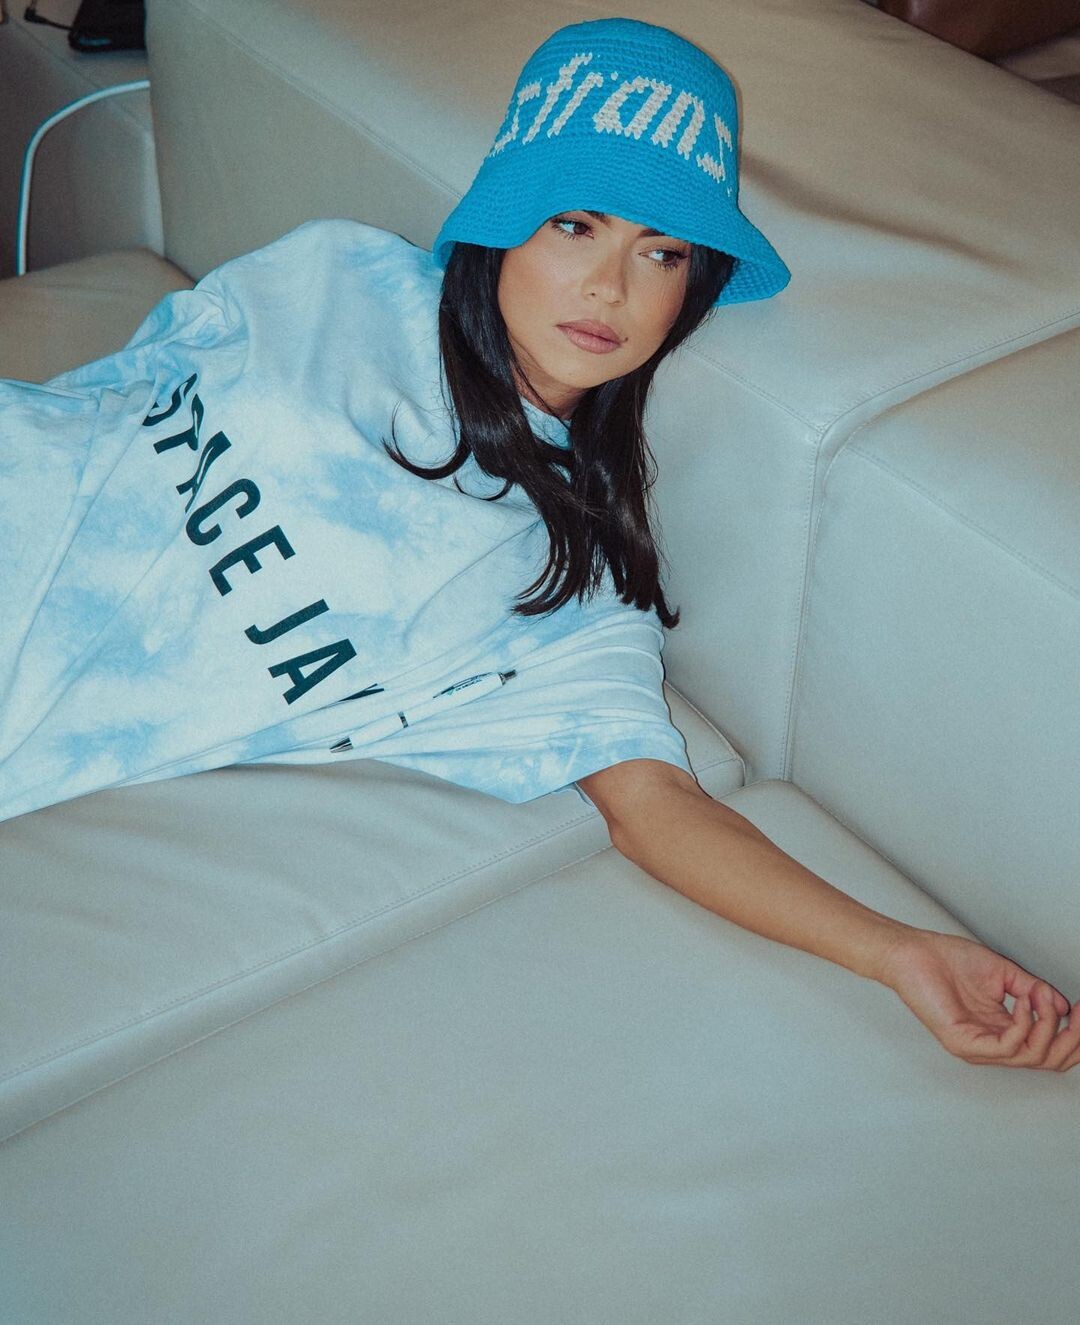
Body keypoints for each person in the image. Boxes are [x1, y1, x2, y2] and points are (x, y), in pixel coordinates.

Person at [2, 17, 1076, 1072]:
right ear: (505, 215)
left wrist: (897, 952)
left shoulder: (570, 580)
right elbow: (113, 392)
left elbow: (657, 808)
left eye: (660, 251)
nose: (611, 287)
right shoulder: (342, 273)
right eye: (575, 225)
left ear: (691, 287)